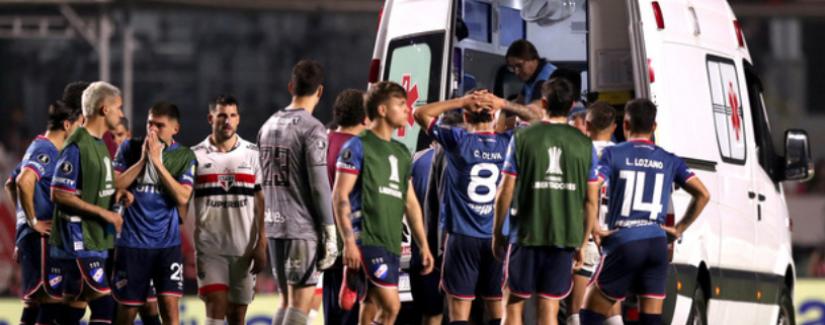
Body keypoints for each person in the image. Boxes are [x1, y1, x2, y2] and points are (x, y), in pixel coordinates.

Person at [579, 99, 711, 325]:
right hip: (657, 242)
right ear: (654, 127)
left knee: (589, 314)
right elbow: (703, 194)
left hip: (625, 240)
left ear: (625, 125)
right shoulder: (669, 159)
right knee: (650, 319)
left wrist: (595, 228)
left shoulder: (613, 154)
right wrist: (679, 229)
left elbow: (593, 186)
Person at [413, 90, 539, 325]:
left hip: (462, 237)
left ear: (466, 117)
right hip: (497, 237)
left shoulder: (457, 140)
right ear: (494, 116)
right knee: (496, 308)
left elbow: (420, 113)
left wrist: (463, 102)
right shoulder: (510, 142)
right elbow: (538, 119)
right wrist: (502, 103)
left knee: (460, 311)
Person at [493, 78, 599, 325]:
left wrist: (497, 233)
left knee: (513, 302)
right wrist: (582, 243)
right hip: (564, 238)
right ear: (572, 105)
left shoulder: (522, 137)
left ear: (543, 103)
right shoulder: (585, 144)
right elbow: (591, 201)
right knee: (549, 305)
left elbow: (505, 190)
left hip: (526, 235)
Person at [333, 81, 435, 325]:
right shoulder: (357, 145)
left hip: (390, 241)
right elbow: (339, 195)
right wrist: (348, 241)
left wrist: (424, 245)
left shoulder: (401, 152)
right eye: (400, 105)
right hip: (367, 238)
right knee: (391, 307)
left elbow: (410, 204)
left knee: (370, 307)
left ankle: (355, 277)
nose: (407, 110)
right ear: (381, 110)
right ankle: (354, 270)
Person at [257, 60, 338, 325]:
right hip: (301, 228)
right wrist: (329, 230)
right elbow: (318, 184)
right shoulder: (313, 129)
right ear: (320, 91)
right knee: (300, 306)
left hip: (274, 224)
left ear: (291, 86)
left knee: (286, 301)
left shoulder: (267, 125)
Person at [49, 81, 130, 325]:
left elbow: (97, 187)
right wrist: (106, 215)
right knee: (105, 305)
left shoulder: (99, 144)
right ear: (105, 110)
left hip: (95, 239)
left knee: (75, 306)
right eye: (119, 108)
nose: (122, 114)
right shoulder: (77, 145)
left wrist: (118, 194)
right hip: (79, 239)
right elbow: (59, 194)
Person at [111, 102, 196, 325]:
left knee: (169, 310)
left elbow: (183, 197)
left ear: (175, 129)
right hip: (132, 244)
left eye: (160, 125)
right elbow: (115, 183)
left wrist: (158, 164)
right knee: (127, 313)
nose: (153, 130)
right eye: (150, 123)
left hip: (167, 246)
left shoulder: (185, 156)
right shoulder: (129, 147)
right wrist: (143, 161)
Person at [5, 100, 83, 325]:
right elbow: (23, 181)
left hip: (37, 239)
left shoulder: (37, 145)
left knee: (37, 305)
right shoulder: (45, 149)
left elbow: (10, 184)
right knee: (49, 303)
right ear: (67, 125)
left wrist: (22, 224)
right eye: (79, 124)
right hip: (41, 239)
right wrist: (33, 221)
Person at [192, 95, 267, 325]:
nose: (228, 121)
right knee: (216, 304)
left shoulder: (253, 154)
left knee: (237, 316)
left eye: (233, 115)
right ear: (210, 118)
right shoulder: (195, 155)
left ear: (238, 120)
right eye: (222, 115)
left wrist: (261, 244)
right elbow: (183, 201)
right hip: (209, 249)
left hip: (243, 249)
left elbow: (262, 201)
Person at [565, 101, 621, 325]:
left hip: (588, 235)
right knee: (610, 305)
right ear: (615, 127)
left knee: (575, 310)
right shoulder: (623, 154)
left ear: (587, 125)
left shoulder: (579, 154)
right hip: (616, 236)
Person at [324, 89, 368, 325]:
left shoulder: (322, 141)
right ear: (365, 117)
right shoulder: (359, 148)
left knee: (333, 313)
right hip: (353, 241)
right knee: (355, 314)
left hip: (327, 240)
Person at [505, 39, 556, 106]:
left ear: (533, 60)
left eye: (519, 65)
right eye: (512, 68)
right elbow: (519, 103)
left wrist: (503, 104)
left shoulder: (545, 81)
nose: (516, 72)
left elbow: (533, 113)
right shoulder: (531, 77)